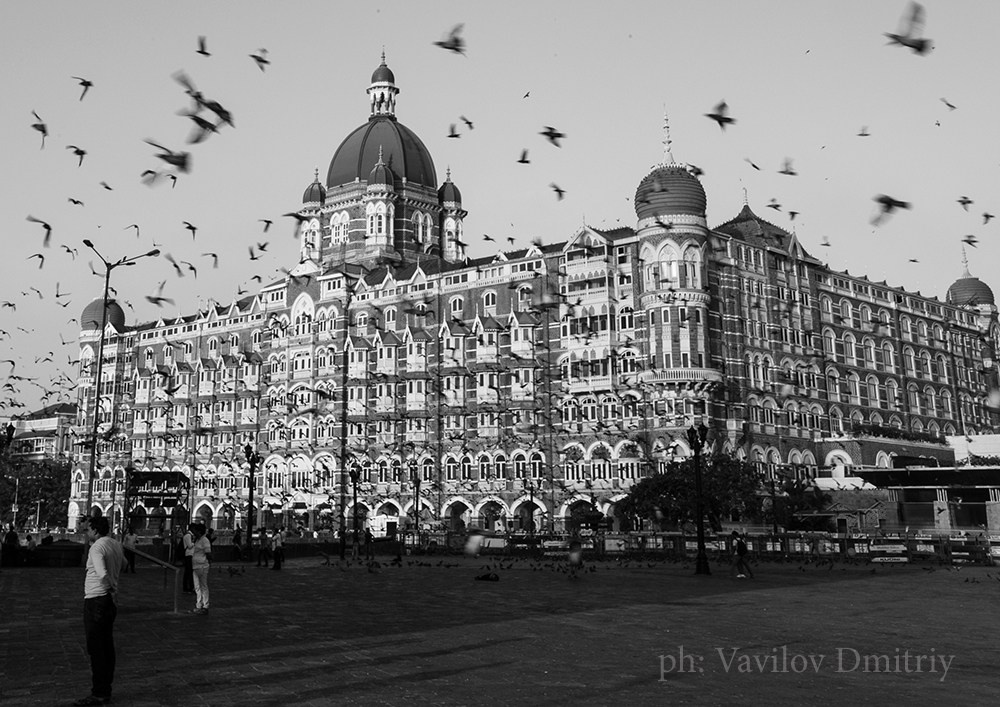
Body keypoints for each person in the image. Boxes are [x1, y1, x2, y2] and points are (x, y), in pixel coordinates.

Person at [74, 515, 124, 706]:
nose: (86, 533)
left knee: (96, 648)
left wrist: (110, 587)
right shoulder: (115, 544)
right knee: (107, 647)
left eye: (87, 530)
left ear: (95, 530)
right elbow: (125, 564)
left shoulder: (97, 547)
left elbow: (102, 573)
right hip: (108, 602)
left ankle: (99, 692)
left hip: (97, 600)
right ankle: (105, 688)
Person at [190, 524, 212, 615]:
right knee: (197, 587)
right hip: (196, 565)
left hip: (202, 565)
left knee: (203, 586)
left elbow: (208, 553)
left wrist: (208, 562)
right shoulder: (198, 540)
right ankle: (199, 604)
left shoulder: (204, 540)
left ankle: (205, 605)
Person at [182, 524, 195, 593]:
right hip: (189, 554)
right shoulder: (188, 536)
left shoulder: (188, 535)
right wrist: (194, 543)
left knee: (188, 572)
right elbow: (189, 546)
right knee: (189, 572)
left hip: (190, 554)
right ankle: (189, 587)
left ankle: (187, 587)